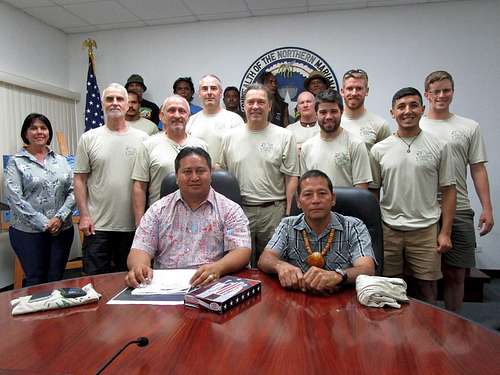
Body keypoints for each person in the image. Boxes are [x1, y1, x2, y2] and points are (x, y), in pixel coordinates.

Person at [371, 87, 456, 304]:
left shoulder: (440, 146)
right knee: (390, 289)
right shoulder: (379, 150)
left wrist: (445, 232)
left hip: (426, 230)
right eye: (401, 107)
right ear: (392, 112)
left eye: (413, 105)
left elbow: (448, 190)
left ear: (422, 109)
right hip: (389, 229)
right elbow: (373, 193)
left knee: (428, 289)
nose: (407, 111)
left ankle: (430, 335)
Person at [420, 70, 494, 312]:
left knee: (456, 275)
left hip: (459, 208)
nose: (441, 95)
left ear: (453, 92)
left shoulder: (468, 127)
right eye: (436, 91)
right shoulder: (414, 123)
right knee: (425, 276)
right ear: (427, 94)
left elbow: (478, 169)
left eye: (446, 90)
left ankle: (455, 324)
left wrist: (487, 208)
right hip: (423, 210)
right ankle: (429, 325)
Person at [125, 147, 252, 288]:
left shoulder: (230, 210)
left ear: (211, 174)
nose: (194, 177)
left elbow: (242, 250)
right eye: (187, 172)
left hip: (213, 284)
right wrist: (139, 267)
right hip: (164, 289)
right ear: (177, 177)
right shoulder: (158, 210)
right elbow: (140, 248)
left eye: (200, 171)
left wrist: (218, 268)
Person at [219, 83, 299, 266]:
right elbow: (222, 173)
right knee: (240, 266)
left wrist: (288, 214)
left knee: (274, 265)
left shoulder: (285, 136)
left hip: (274, 212)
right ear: (244, 105)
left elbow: (291, 177)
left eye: (261, 102)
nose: (255, 106)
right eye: (251, 102)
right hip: (238, 212)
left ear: (269, 106)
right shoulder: (229, 137)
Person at [258, 170, 375, 293]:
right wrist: (280, 266)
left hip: (340, 300)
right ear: (298, 201)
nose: (315, 200)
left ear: (333, 199)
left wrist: (338, 276)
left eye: (322, 193)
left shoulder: (353, 226)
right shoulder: (287, 225)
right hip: (298, 299)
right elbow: (265, 259)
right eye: (308, 194)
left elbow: (367, 269)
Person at [74, 83, 148, 275]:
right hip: (98, 226)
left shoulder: (143, 138)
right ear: (102, 104)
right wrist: (84, 215)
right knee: (94, 281)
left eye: (119, 99)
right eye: (110, 99)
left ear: (127, 105)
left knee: (132, 281)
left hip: (133, 226)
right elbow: (80, 179)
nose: (115, 103)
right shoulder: (89, 138)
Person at [4, 113, 75, 286]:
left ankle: (56, 313)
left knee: (56, 278)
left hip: (62, 230)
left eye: (43, 128)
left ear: (48, 132)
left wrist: (59, 218)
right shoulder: (16, 162)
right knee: (36, 280)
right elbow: (15, 199)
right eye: (33, 128)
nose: (39, 132)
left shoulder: (61, 160)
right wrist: (45, 223)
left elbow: (74, 191)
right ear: (26, 133)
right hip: (28, 233)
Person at [131, 95, 207, 225]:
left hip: (196, 219)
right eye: (172, 110)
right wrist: (140, 223)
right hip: (159, 219)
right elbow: (139, 187)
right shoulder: (148, 145)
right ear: (161, 116)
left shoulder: (201, 146)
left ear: (188, 116)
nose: (177, 115)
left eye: (182, 111)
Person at [300, 89, 372, 188]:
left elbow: (361, 190)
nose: (328, 116)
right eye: (323, 112)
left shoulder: (355, 144)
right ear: (316, 114)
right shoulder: (307, 147)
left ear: (341, 112)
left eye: (333, 111)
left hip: (348, 204)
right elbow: (305, 187)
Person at [186, 74, 244, 161]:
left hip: (227, 173)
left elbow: (240, 154)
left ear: (220, 93)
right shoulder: (191, 121)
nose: (209, 92)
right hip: (197, 173)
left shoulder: (235, 120)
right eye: (205, 89)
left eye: (213, 88)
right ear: (199, 94)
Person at [340, 69, 391, 149]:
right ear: (342, 92)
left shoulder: (380, 125)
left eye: (359, 88)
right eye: (350, 88)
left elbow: (386, 159)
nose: (354, 93)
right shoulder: (332, 122)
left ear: (366, 91)